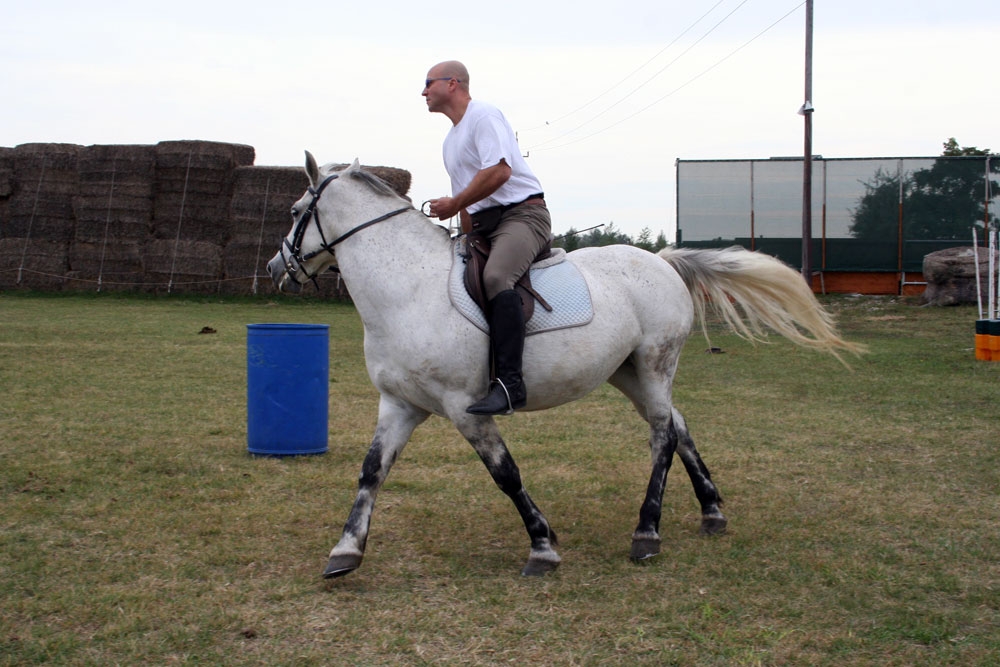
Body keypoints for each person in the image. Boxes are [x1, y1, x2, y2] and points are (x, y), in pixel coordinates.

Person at [423, 60, 552, 416]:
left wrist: (454, 203)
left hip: (522, 215)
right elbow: (467, 202)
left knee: (496, 277)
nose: (423, 92)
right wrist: (464, 235)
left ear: (452, 84)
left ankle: (511, 385)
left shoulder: (484, 116)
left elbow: (499, 170)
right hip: (484, 224)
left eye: (428, 83)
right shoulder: (450, 141)